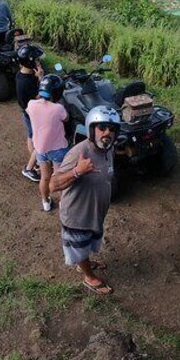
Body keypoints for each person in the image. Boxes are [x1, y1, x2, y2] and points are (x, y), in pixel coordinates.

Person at [49, 106, 120, 295]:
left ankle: (84, 263)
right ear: (91, 128)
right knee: (79, 248)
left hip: (94, 214)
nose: (107, 132)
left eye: (112, 129)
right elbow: (53, 185)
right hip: (77, 216)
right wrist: (77, 171)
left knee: (87, 245)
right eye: (102, 127)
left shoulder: (108, 150)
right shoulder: (79, 153)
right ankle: (89, 276)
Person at [27, 74, 69, 211]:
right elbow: (66, 118)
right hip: (58, 149)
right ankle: (63, 202)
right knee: (60, 177)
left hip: (40, 149)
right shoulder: (58, 108)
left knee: (44, 177)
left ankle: (45, 202)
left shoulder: (31, 105)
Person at [15, 44, 45, 182]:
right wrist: (41, 78)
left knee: (31, 136)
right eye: (37, 60)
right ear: (31, 61)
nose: (39, 62)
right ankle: (29, 168)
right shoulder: (27, 82)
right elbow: (39, 97)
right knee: (40, 143)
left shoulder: (21, 74)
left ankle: (36, 161)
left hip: (26, 112)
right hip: (32, 113)